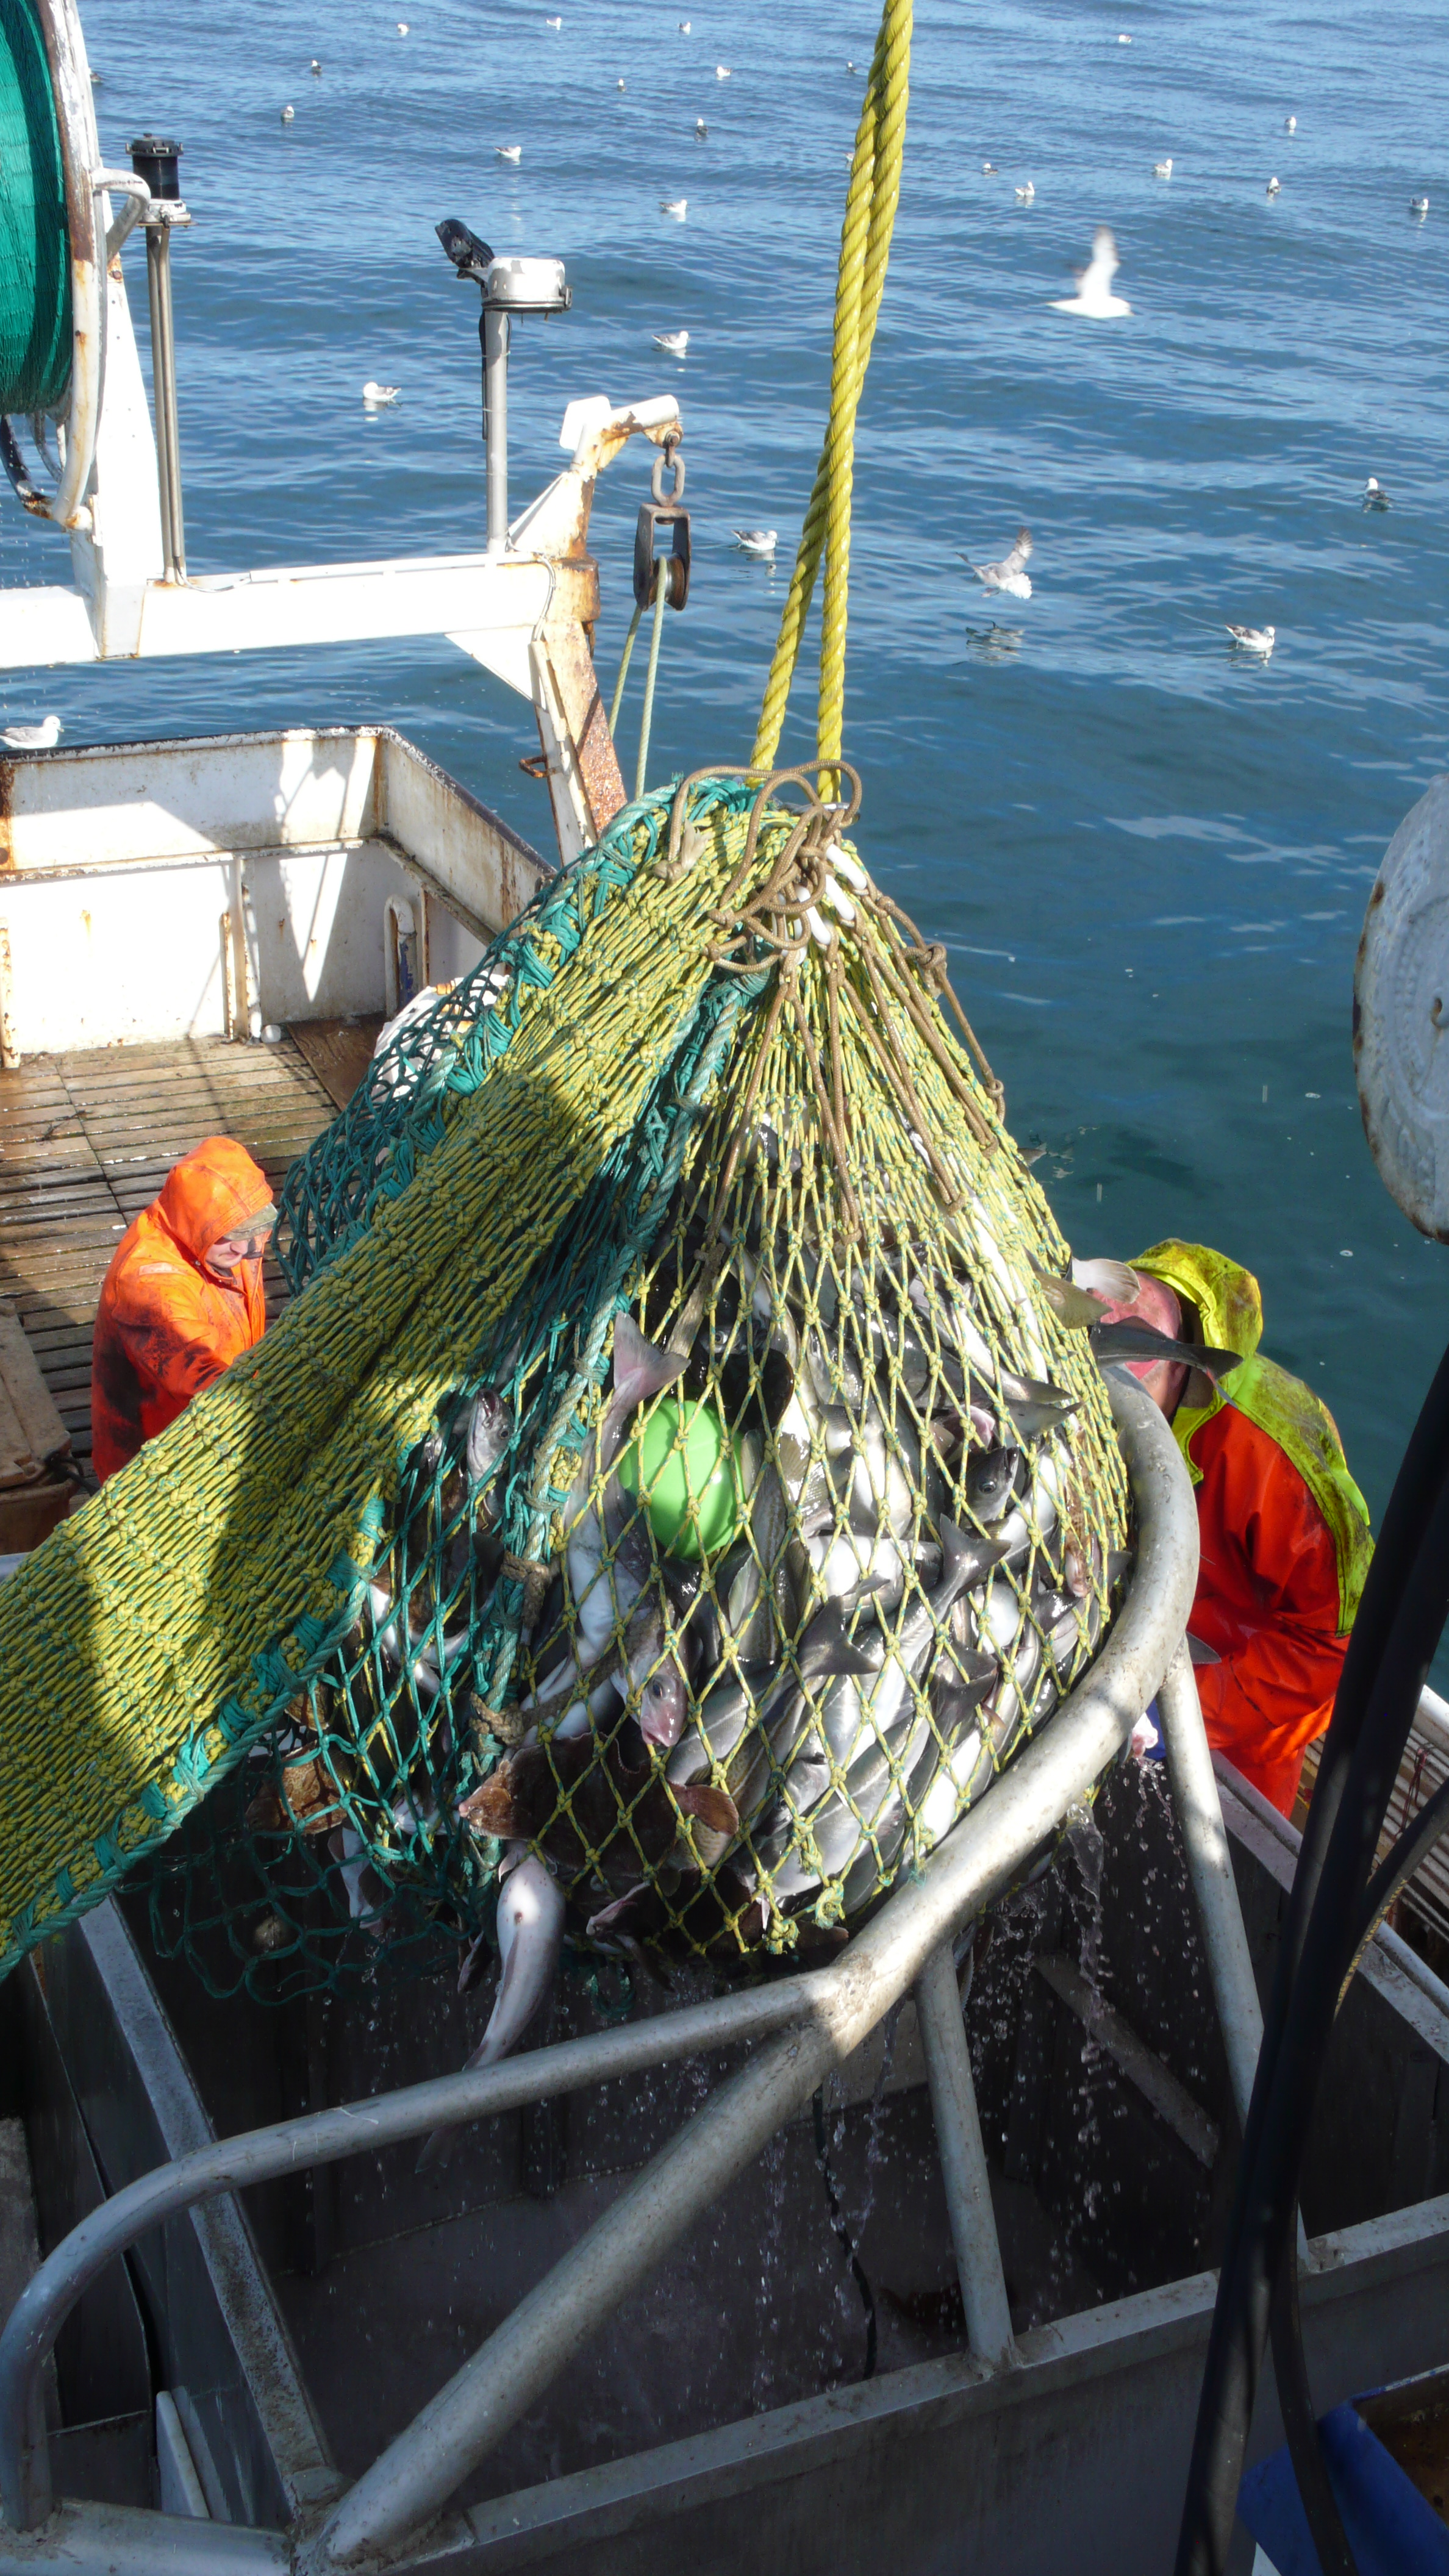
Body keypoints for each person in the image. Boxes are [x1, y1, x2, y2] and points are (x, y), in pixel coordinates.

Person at [1098, 1240, 1373, 1817]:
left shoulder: (1275, 1463)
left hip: (1245, 1712)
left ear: (1184, 1370)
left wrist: (1185, 1711)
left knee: (1218, 1864)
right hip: (1133, 1641)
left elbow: (1335, 1645)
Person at [91, 1137, 278, 1484]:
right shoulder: (148, 1285)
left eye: (253, 1228)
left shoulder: (229, 1247)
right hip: (155, 1464)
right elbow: (199, 1377)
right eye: (229, 1234)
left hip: (219, 1427)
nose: (243, 1247)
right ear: (196, 1224)